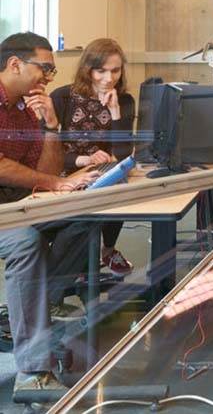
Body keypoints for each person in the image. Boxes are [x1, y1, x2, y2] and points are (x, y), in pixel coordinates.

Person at [0, 32, 100, 392]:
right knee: (25, 241)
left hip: (17, 203)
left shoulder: (26, 109)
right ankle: (32, 371)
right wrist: (52, 183)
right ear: (15, 64)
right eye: (45, 69)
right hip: (7, 213)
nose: (48, 78)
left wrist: (52, 127)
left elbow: (48, 172)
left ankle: (38, 308)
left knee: (85, 218)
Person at [51, 38, 136, 277]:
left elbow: (122, 156)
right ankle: (79, 264)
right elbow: (43, 152)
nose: (109, 79)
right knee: (87, 212)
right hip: (66, 173)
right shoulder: (61, 97)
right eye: (101, 71)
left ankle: (107, 249)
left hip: (102, 174)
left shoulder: (125, 101)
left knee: (117, 188)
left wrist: (116, 113)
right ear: (88, 69)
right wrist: (82, 159)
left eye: (115, 70)